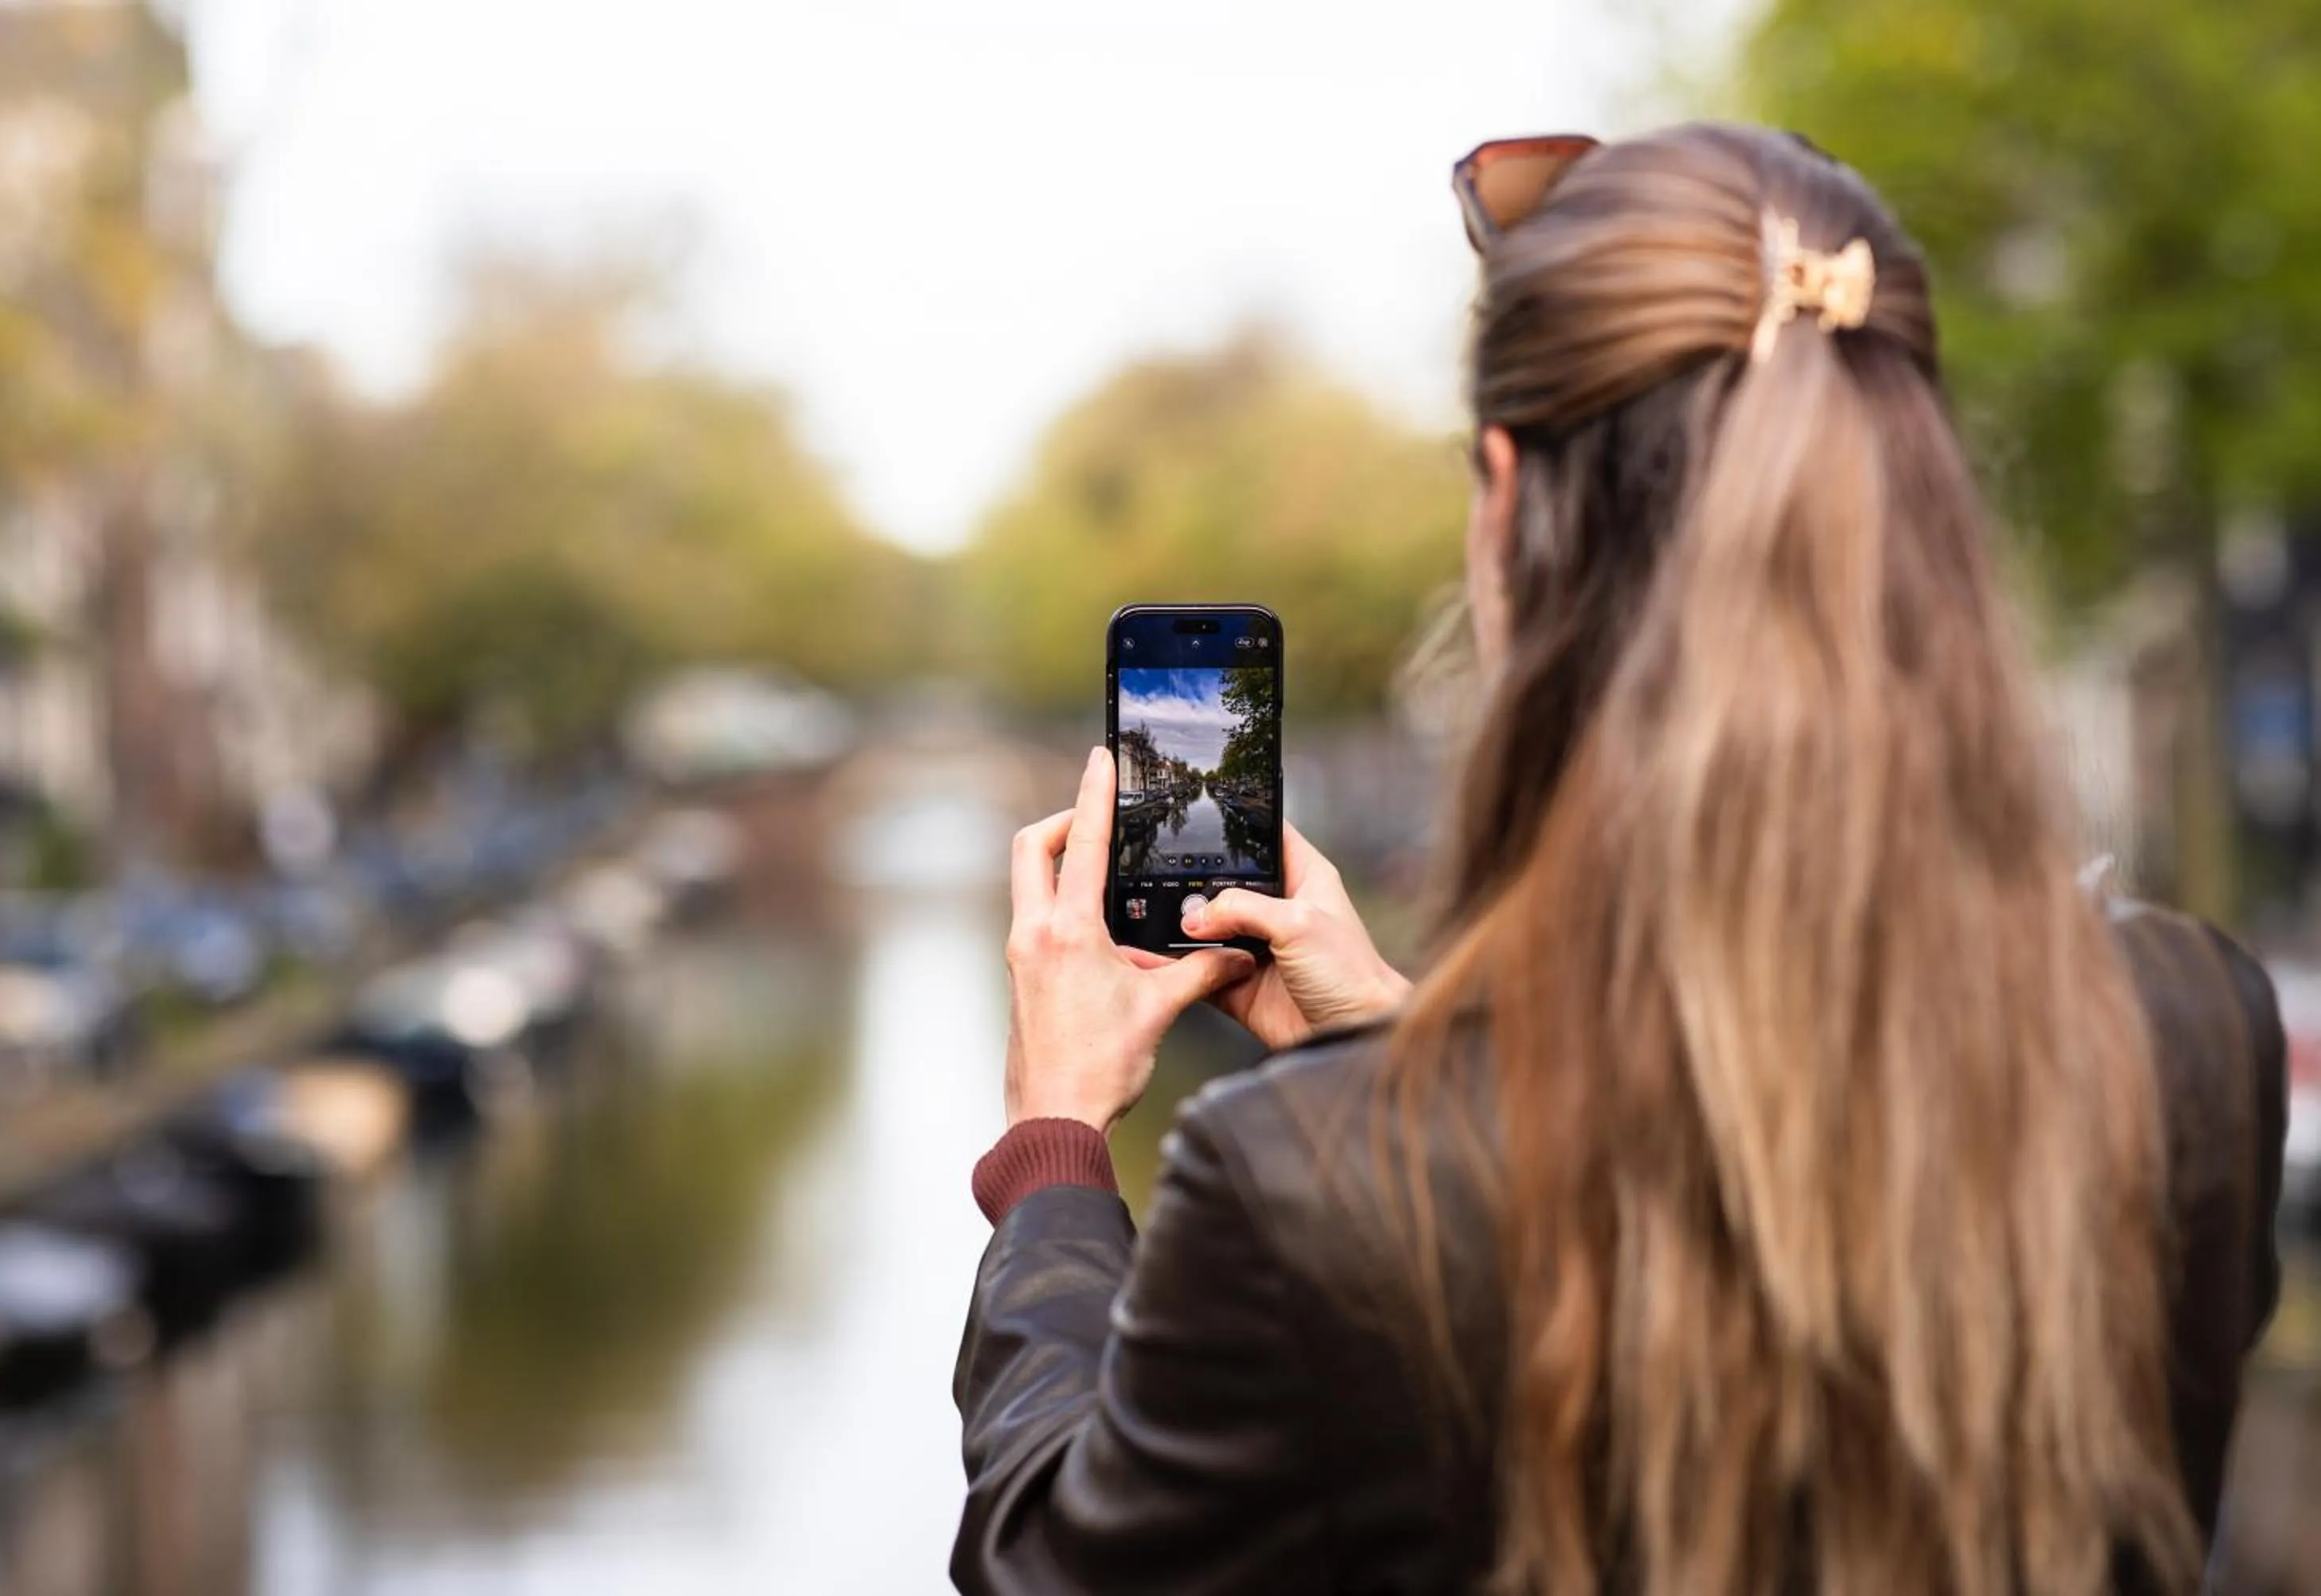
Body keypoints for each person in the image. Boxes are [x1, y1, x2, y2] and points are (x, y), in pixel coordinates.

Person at [952, 123, 2286, 1596]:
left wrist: (1057, 1149)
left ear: (1507, 500)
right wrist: (1400, 1038)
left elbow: (1058, 1561)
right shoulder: (2189, 1035)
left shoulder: (1300, 1193)